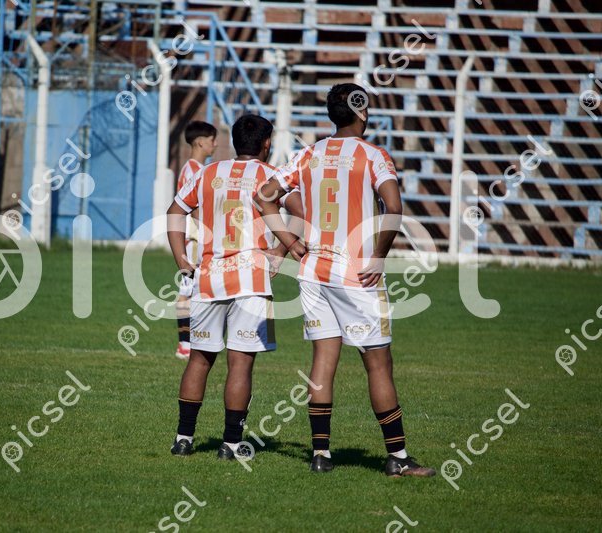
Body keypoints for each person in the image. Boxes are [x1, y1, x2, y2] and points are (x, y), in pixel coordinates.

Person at [255, 83, 435, 477]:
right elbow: (394, 207)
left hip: (314, 270)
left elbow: (264, 195)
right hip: (355, 273)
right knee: (378, 365)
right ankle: (398, 458)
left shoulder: (308, 154)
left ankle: (321, 455)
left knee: (323, 360)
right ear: (362, 112)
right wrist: (379, 255)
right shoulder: (373, 155)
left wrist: (290, 242)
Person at [166, 114, 282, 461]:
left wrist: (181, 259)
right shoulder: (269, 175)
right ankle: (230, 445)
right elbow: (301, 213)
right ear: (266, 144)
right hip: (251, 278)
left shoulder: (208, 173)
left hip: (209, 277)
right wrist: (280, 251)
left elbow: (175, 212)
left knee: (199, 360)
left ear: (233, 141)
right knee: (240, 365)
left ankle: (183, 439)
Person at [175, 121, 218, 361]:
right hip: (195, 239)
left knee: (191, 290)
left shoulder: (194, 168)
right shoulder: (194, 170)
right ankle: (185, 344)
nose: (216, 144)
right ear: (200, 142)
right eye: (212, 140)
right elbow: (195, 208)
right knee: (188, 291)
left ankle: (190, 342)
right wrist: (211, 232)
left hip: (195, 238)